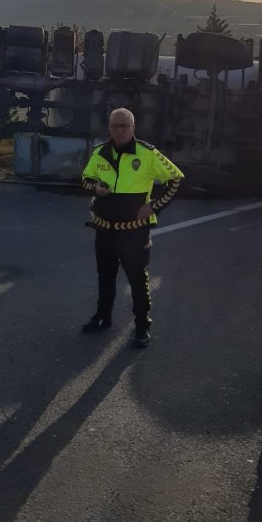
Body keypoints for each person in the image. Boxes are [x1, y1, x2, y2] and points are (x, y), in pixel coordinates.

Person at [81, 107, 184, 347]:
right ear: (109, 128)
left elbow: (176, 178)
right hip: (104, 228)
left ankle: (141, 326)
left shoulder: (147, 154)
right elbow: (85, 179)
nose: (119, 130)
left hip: (134, 230)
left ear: (133, 128)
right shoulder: (100, 152)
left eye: (124, 126)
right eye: (115, 126)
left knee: (138, 280)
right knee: (105, 277)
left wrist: (154, 206)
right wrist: (96, 188)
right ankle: (103, 317)